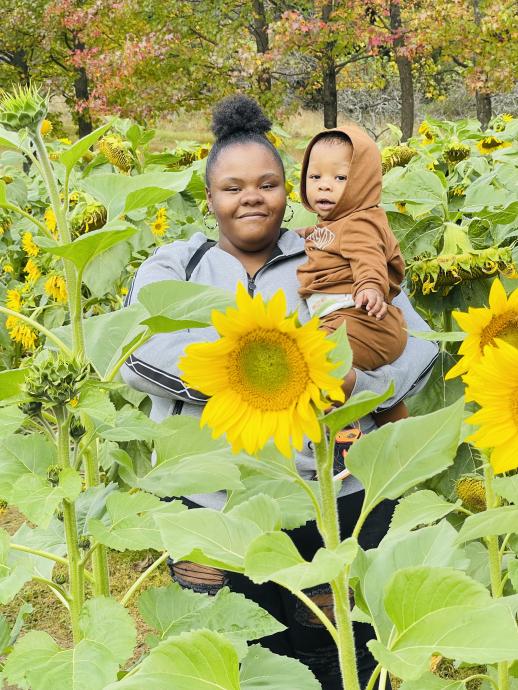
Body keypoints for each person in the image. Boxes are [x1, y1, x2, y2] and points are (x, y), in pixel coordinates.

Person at [121, 94, 438, 690]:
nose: (251, 197)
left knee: (337, 642)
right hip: (211, 500)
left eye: (267, 183)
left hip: (332, 490)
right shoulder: (178, 266)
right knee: (232, 646)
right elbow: (134, 354)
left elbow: (414, 347)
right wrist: (254, 373)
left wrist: (349, 382)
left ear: (287, 192)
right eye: (233, 186)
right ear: (209, 198)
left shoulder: (332, 248)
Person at [297, 125, 408, 426]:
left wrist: (370, 285)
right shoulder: (337, 223)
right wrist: (296, 235)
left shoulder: (361, 223)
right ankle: (394, 419)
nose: (324, 185)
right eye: (315, 176)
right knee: (322, 364)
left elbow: (368, 255)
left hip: (362, 317)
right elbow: (322, 236)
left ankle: (338, 427)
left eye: (340, 178)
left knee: (310, 362)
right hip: (351, 319)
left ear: (362, 181)